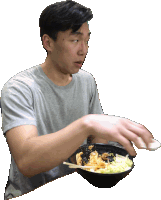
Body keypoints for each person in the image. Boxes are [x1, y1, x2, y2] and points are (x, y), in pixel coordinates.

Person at [1, 1, 153, 199]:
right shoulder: (19, 87)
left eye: (87, 41)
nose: (84, 50)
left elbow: (97, 142)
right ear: (48, 42)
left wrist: (111, 164)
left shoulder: (87, 80)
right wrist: (86, 124)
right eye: (75, 40)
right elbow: (27, 162)